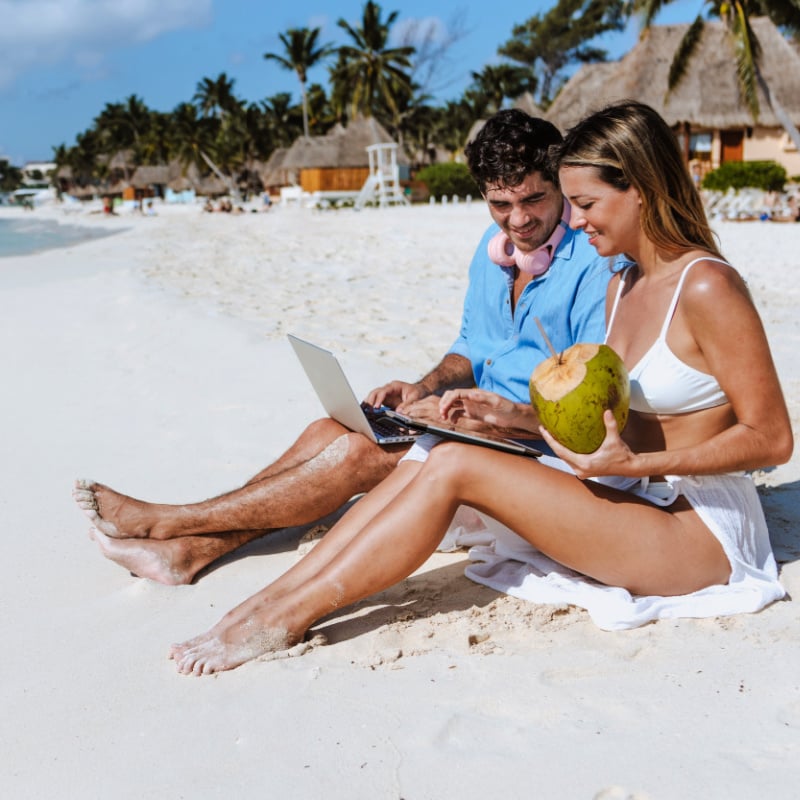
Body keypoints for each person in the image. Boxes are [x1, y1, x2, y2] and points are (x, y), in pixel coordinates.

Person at [167, 101, 792, 676]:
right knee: (435, 453)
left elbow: (772, 440)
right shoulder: (620, 284)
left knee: (456, 466)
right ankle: (271, 601)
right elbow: (615, 425)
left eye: (586, 204)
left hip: (698, 528)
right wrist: (515, 419)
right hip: (628, 489)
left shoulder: (708, 286)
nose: (573, 221)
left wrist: (640, 461)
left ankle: (282, 618)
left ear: (641, 190)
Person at [73, 109, 616, 587]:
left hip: (527, 448)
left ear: (559, 186)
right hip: (466, 421)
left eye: (534, 200)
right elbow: (473, 346)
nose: (518, 220)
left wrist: (492, 417)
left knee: (357, 454)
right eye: (501, 204)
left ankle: (174, 522)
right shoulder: (492, 248)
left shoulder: (592, 263)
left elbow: (583, 413)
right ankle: (189, 553)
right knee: (328, 430)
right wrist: (422, 389)